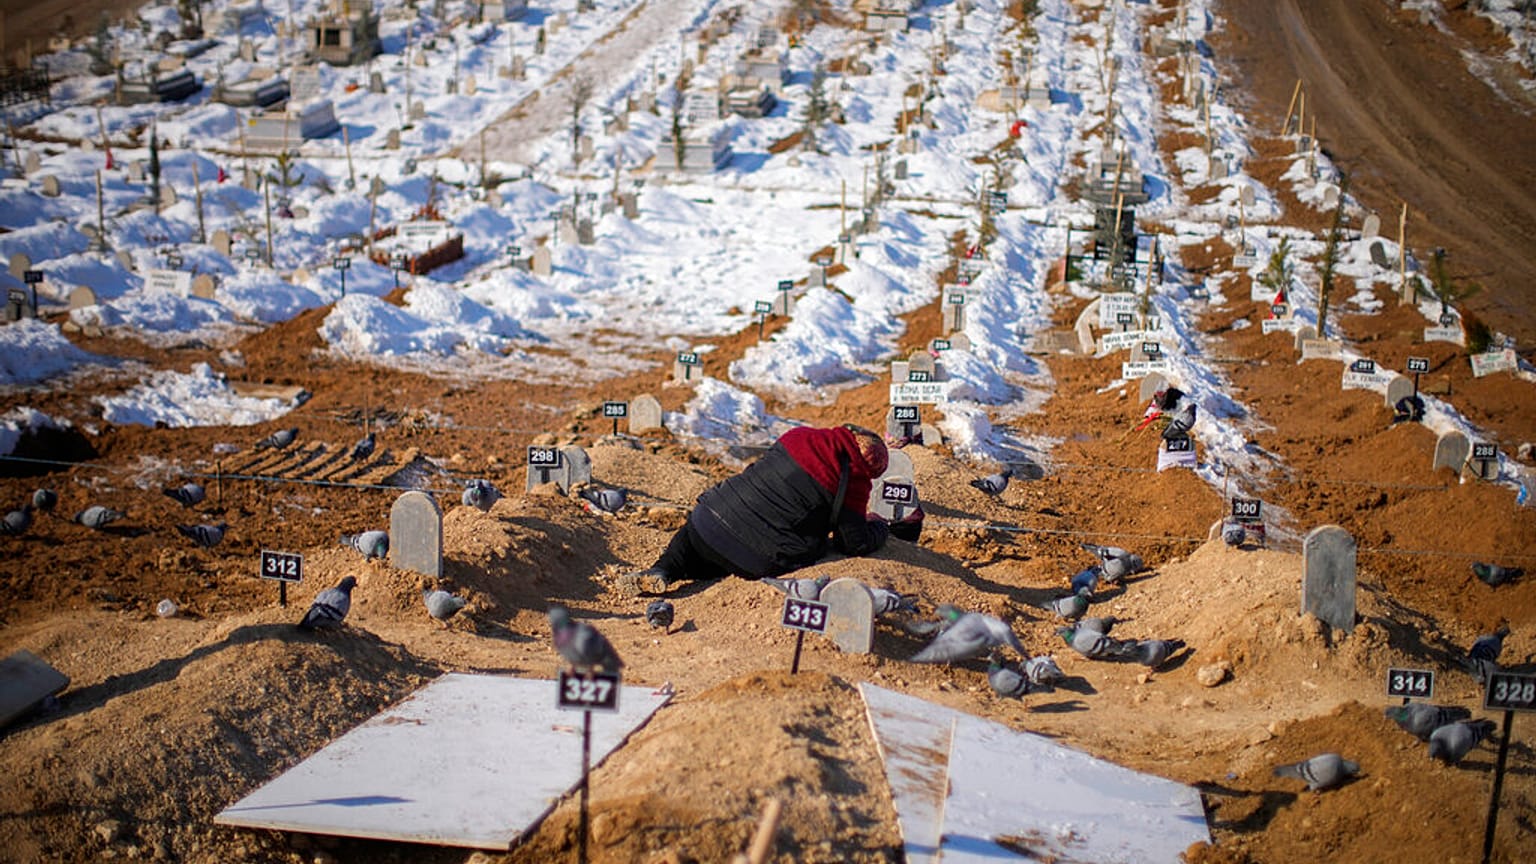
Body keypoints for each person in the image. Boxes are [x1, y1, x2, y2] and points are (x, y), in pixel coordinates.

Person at [618, 424, 917, 595]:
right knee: (730, 561)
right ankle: (687, 573)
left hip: (709, 518)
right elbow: (854, 542)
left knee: (695, 543)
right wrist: (878, 526)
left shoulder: (797, 436)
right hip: (757, 555)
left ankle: (663, 569)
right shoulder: (854, 480)